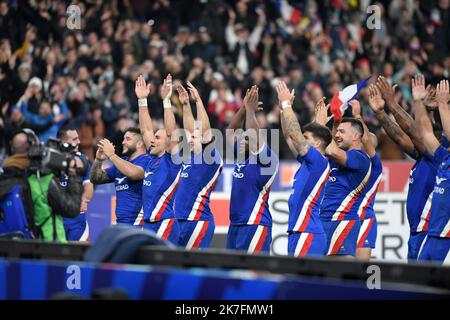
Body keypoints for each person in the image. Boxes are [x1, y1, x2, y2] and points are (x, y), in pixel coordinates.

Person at [369, 76, 437, 260]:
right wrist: (381, 113)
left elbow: (414, 133)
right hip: (417, 233)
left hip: (430, 232)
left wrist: (392, 104)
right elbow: (400, 137)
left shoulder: (439, 152)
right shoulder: (425, 155)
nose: (421, 120)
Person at [277, 82, 331, 257]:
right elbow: (288, 136)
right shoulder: (309, 162)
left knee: (305, 283)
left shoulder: (319, 162)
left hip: (307, 233)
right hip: (299, 232)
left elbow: (295, 134)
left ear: (317, 143)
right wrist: (283, 109)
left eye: (306, 137)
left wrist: (287, 105)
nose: (302, 139)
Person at [226, 85, 279, 254]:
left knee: (254, 273)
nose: (242, 140)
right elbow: (228, 134)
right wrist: (243, 109)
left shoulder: (268, 160)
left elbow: (254, 137)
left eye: (246, 138)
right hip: (235, 224)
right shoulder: (242, 156)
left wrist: (250, 111)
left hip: (254, 224)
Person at [174, 82, 223, 249]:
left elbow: (205, 131)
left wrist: (198, 101)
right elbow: (190, 130)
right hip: (180, 220)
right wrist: (186, 104)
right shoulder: (190, 158)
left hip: (197, 221)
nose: (190, 137)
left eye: (196, 136)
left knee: (194, 268)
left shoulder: (210, 158)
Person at [135, 74, 182, 245]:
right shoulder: (151, 158)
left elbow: (171, 133)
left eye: (157, 138)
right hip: (148, 224)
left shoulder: (172, 161)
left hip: (164, 224)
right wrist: (142, 101)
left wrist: (167, 101)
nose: (152, 140)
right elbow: (146, 130)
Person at [320, 117, 372, 258]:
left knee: (342, 275)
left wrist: (321, 125)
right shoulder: (336, 159)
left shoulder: (360, 158)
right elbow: (317, 145)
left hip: (343, 222)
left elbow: (329, 148)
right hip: (322, 221)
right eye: (336, 132)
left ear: (355, 136)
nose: (337, 135)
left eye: (342, 132)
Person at [413, 76, 449, 264]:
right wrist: (419, 102)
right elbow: (425, 133)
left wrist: (443, 105)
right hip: (436, 232)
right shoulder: (444, 158)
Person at [90, 127, 150, 226]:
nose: (123, 142)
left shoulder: (147, 160)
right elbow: (96, 178)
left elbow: (135, 174)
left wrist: (111, 155)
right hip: (121, 222)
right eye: (123, 139)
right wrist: (98, 160)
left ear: (140, 144)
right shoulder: (122, 162)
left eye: (128, 139)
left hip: (139, 223)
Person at [350, 99, 383, 261]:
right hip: (344, 219)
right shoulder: (350, 162)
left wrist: (357, 115)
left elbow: (366, 140)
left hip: (364, 220)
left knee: (359, 270)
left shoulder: (374, 165)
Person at [57, 127, 93, 241]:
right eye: (74, 139)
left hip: (76, 220)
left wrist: (84, 200)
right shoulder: (51, 159)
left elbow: (89, 186)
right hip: (56, 218)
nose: (79, 142)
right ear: (63, 142)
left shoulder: (83, 160)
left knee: (79, 254)